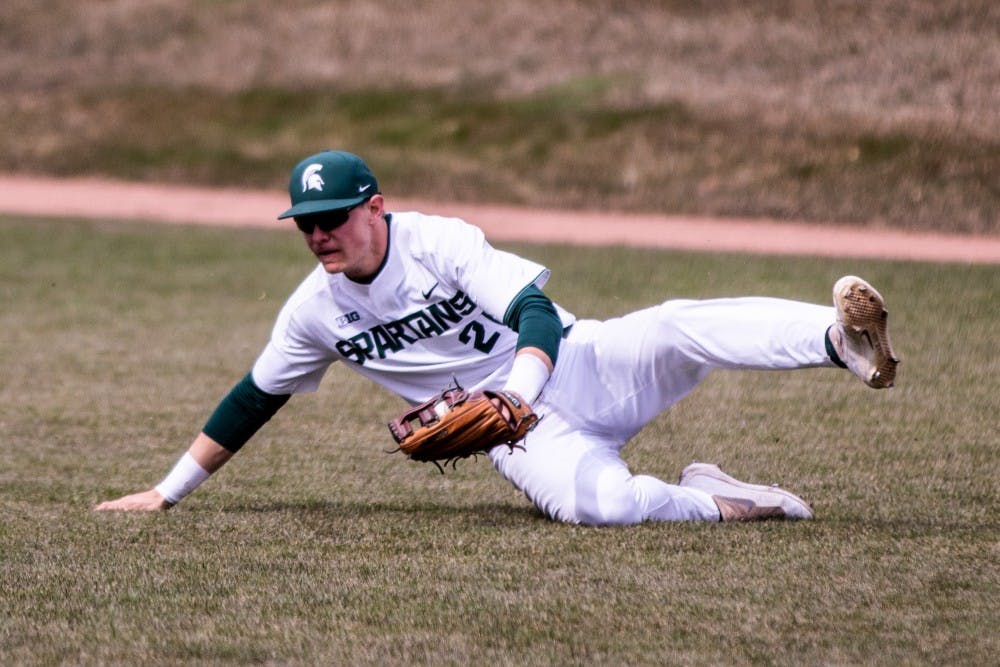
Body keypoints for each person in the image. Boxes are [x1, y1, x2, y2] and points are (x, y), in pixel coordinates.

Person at [95, 150, 899, 525]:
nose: (317, 235)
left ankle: (838, 342)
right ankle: (730, 499)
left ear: (374, 207)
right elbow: (253, 397)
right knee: (600, 508)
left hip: (579, 364)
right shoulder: (315, 310)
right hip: (519, 438)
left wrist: (516, 391)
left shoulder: (438, 242)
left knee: (679, 324)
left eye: (331, 217)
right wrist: (166, 492)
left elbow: (535, 313)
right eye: (304, 223)